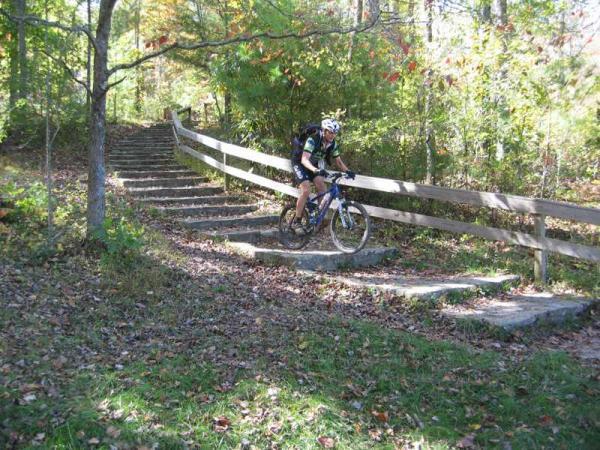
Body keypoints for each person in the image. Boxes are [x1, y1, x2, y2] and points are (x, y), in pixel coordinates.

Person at [291, 118, 355, 230]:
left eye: (334, 133)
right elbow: (304, 160)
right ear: (324, 131)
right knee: (306, 190)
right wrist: (316, 170)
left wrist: (348, 171)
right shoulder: (313, 140)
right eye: (330, 132)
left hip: (313, 166)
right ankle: (297, 220)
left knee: (323, 188)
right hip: (300, 163)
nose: (332, 135)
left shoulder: (332, 144)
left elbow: (338, 161)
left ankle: (317, 218)